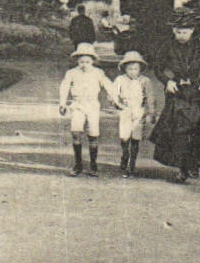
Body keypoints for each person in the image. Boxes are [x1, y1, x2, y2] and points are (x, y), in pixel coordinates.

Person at [150, 8, 200, 183]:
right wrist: (168, 81)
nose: (181, 35)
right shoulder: (168, 46)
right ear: (173, 31)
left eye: (185, 31)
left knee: (198, 130)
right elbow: (158, 68)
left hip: (197, 93)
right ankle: (182, 167)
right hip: (177, 93)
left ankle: (195, 164)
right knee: (179, 131)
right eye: (178, 31)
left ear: (192, 31)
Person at [59, 42, 115, 177]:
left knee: (93, 134)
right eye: (81, 61)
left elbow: (108, 84)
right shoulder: (72, 73)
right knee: (76, 132)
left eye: (87, 61)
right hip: (78, 105)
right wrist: (62, 102)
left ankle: (93, 164)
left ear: (93, 61)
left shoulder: (98, 73)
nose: (84, 64)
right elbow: (64, 86)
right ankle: (78, 164)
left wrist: (113, 97)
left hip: (92, 106)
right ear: (77, 60)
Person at [111, 51, 154, 178]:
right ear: (124, 69)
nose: (133, 72)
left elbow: (150, 97)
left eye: (136, 69)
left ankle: (132, 164)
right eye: (130, 69)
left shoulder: (145, 81)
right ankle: (125, 155)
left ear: (140, 69)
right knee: (124, 137)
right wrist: (116, 103)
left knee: (136, 138)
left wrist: (151, 112)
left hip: (138, 112)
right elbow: (113, 93)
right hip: (125, 110)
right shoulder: (120, 80)